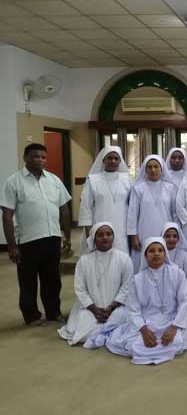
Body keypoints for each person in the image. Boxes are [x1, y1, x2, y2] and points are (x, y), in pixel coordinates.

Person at [1, 143, 71, 326]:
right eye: (35, 156)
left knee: (52, 279)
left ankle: (53, 313)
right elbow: (7, 215)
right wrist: (11, 246)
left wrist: (67, 236)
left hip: (52, 237)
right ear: (26, 158)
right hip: (28, 240)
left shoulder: (54, 180)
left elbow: (64, 209)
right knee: (28, 281)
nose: (40, 160)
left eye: (43, 157)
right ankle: (31, 316)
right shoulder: (14, 182)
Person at [102, 237, 187, 365]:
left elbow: (184, 301)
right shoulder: (137, 279)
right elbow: (133, 309)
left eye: (160, 250)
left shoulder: (177, 274)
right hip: (147, 321)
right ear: (145, 255)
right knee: (134, 346)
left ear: (165, 253)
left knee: (177, 343)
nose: (156, 254)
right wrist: (144, 331)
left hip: (172, 319)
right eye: (151, 251)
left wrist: (174, 328)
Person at [58, 222, 133, 346]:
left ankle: (105, 330)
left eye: (108, 234)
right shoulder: (84, 261)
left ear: (113, 237)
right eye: (100, 235)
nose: (105, 237)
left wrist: (111, 308)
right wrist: (94, 309)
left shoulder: (124, 259)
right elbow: (80, 289)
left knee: (122, 318)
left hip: (116, 308)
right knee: (82, 330)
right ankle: (106, 331)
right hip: (90, 308)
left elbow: (127, 287)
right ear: (93, 238)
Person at [127, 155, 177, 273]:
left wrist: (174, 233)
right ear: (145, 169)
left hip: (165, 232)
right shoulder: (138, 189)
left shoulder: (170, 188)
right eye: (149, 167)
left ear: (161, 168)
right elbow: (132, 212)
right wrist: (133, 236)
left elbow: (174, 212)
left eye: (156, 166)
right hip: (144, 231)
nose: (153, 170)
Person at [78, 146, 130, 254]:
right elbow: (85, 206)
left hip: (122, 226)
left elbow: (133, 205)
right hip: (99, 224)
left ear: (120, 161)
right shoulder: (93, 180)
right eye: (109, 158)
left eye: (116, 158)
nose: (113, 161)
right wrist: (89, 232)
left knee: (121, 256)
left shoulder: (128, 179)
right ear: (103, 160)